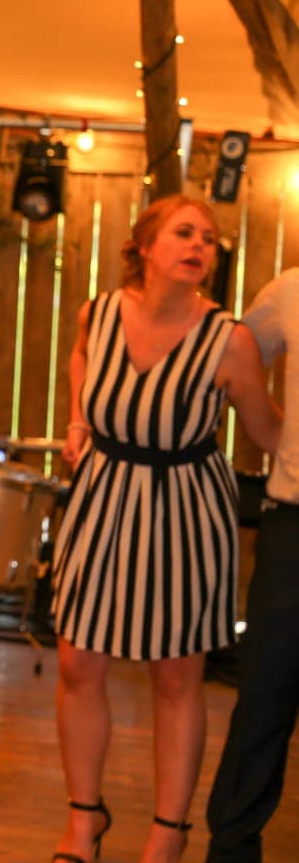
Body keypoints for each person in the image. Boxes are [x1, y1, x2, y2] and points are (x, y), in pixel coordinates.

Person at [51, 195, 279, 863]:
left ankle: (167, 833)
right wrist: (76, 420)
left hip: (186, 504)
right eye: (184, 233)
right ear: (145, 246)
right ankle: (83, 820)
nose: (199, 245)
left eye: (209, 238)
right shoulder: (97, 314)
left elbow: (267, 433)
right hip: (103, 495)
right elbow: (80, 366)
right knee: (76, 662)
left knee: (176, 675)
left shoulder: (228, 340)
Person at [205, 268, 299, 863]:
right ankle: (232, 848)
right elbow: (229, 358)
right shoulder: (291, 290)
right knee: (265, 690)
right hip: (295, 522)